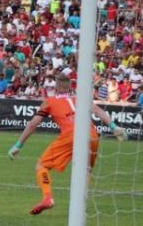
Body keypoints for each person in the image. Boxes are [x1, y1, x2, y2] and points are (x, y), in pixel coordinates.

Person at [8, 74, 128, 215]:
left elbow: (33, 124)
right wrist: (114, 127)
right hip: (92, 135)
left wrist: (18, 145)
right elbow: (99, 111)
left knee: (41, 166)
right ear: (70, 86)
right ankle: (80, 204)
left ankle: (47, 198)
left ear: (57, 87)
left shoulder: (50, 101)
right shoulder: (80, 98)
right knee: (86, 170)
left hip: (70, 135)